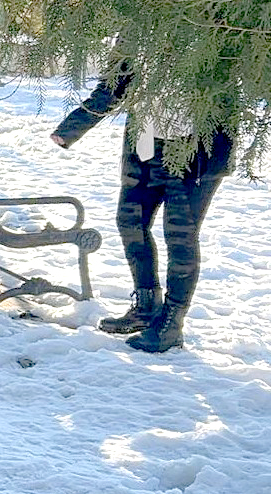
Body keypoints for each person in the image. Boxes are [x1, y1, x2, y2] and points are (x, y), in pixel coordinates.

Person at [51, 51, 234, 353]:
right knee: (130, 220)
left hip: (196, 151)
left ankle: (172, 323)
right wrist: (71, 128)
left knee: (179, 233)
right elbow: (113, 85)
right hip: (148, 146)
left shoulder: (211, 16)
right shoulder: (140, 25)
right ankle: (146, 305)